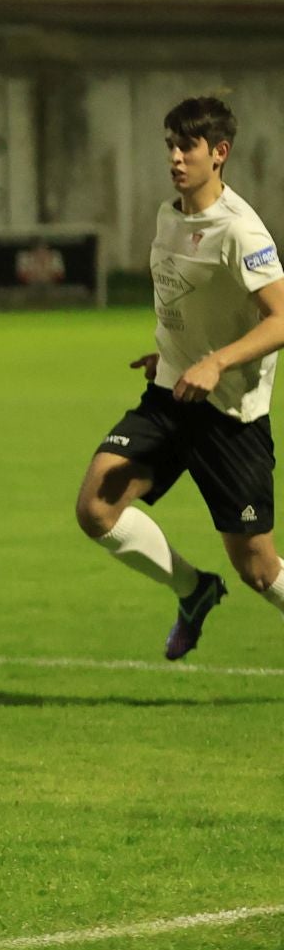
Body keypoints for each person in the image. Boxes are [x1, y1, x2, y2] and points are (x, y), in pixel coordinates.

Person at [76, 96, 284, 661]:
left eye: (186, 146)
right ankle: (193, 591)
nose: (174, 156)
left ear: (219, 153)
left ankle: (220, 586)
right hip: (171, 394)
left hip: (230, 419)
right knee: (96, 508)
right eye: (170, 144)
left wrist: (216, 361)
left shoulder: (240, 231)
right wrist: (172, 353)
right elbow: (191, 302)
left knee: (260, 570)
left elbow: (281, 319)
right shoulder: (170, 215)